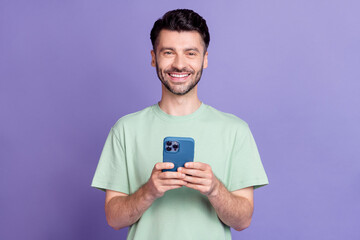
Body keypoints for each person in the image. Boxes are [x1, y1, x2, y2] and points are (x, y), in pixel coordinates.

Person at [91, 9, 269, 240]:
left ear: (204, 59)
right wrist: (149, 191)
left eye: (191, 53)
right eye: (168, 52)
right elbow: (114, 219)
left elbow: (243, 220)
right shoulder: (125, 129)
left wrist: (214, 189)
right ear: (154, 57)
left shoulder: (235, 130)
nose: (179, 64)